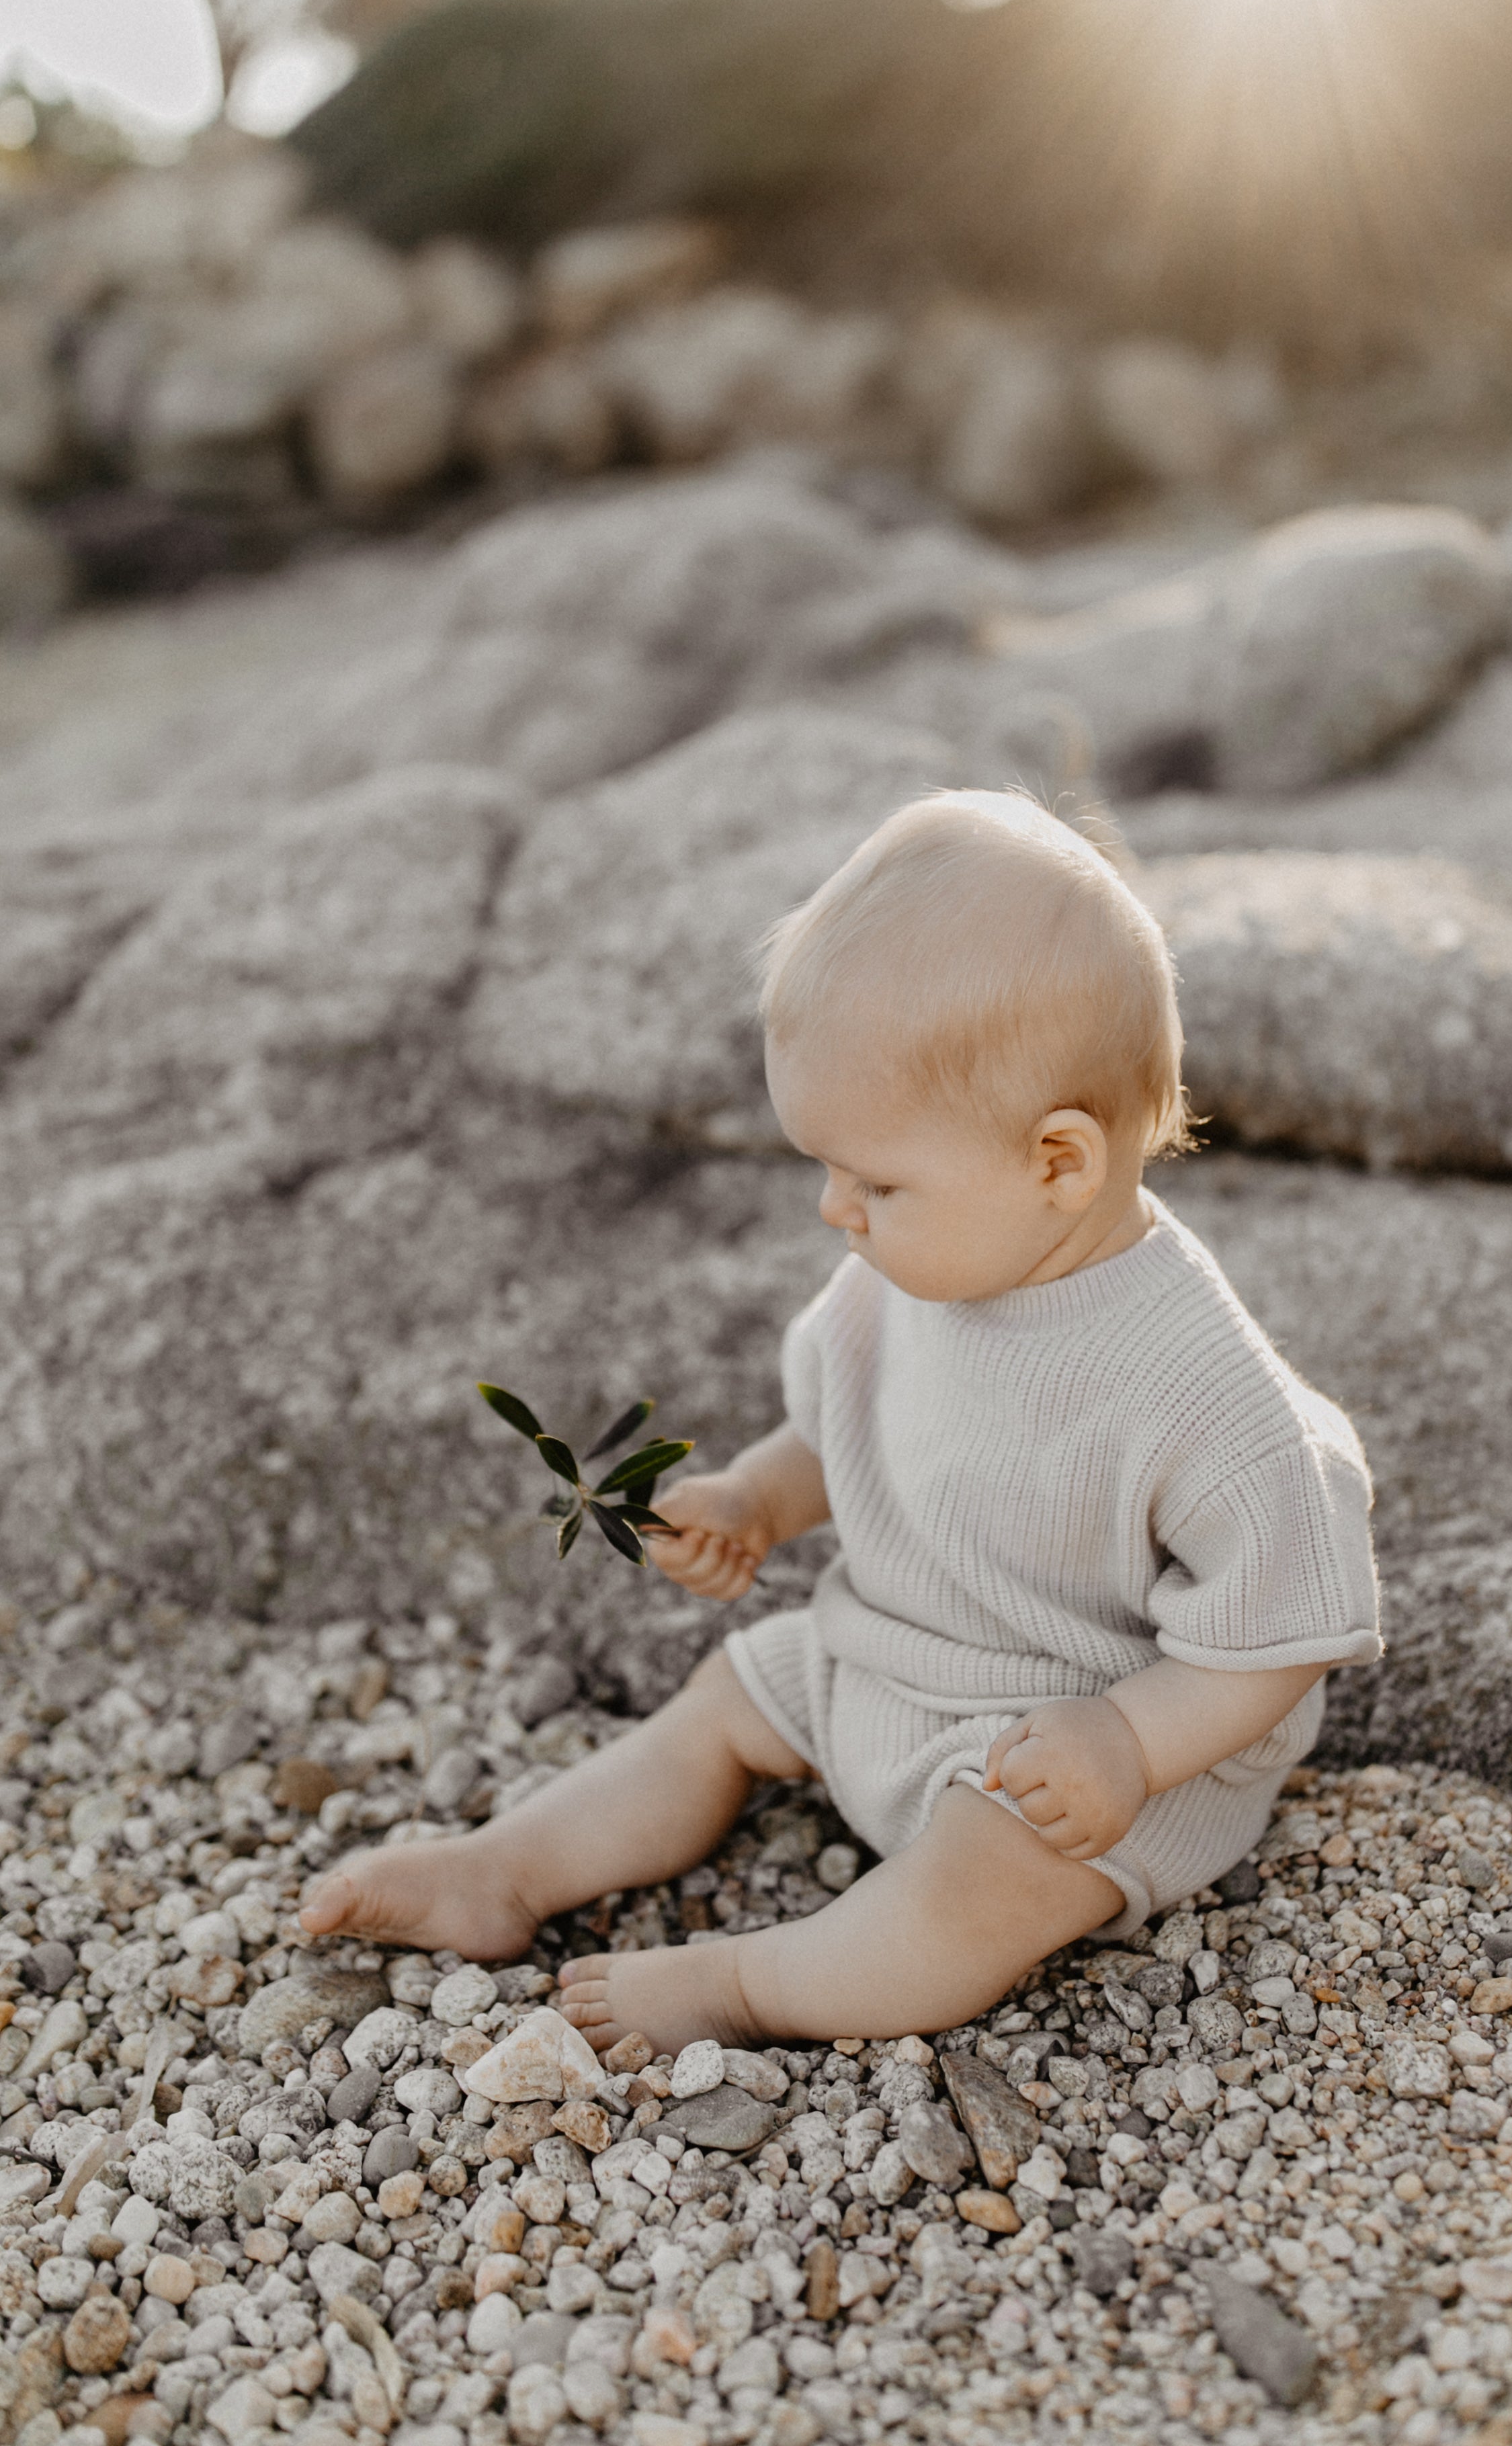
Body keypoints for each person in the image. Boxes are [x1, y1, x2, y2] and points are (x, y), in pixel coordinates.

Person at [300, 792, 1379, 2049]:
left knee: (982, 1887)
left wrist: (1130, 1740)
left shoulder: (1200, 1388)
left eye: (875, 1180)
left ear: (1058, 1164)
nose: (835, 1210)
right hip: (893, 1660)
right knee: (723, 1704)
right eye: (828, 1169)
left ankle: (754, 1986)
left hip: (1074, 1748)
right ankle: (509, 1868)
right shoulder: (906, 1274)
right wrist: (755, 1501)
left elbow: (1278, 1636)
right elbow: (840, 1435)